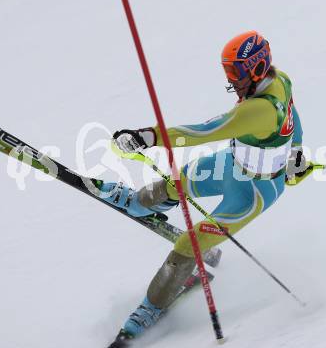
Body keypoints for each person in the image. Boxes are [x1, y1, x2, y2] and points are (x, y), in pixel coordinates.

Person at [105, 30, 304, 347]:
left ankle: (150, 309)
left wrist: (148, 137)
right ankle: (143, 202)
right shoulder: (280, 79)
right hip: (231, 164)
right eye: (228, 72)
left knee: (191, 241)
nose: (231, 80)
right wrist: (296, 153)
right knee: (177, 183)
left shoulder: (257, 110)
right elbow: (293, 116)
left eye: (235, 73)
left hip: (253, 192)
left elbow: (202, 132)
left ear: (255, 68)